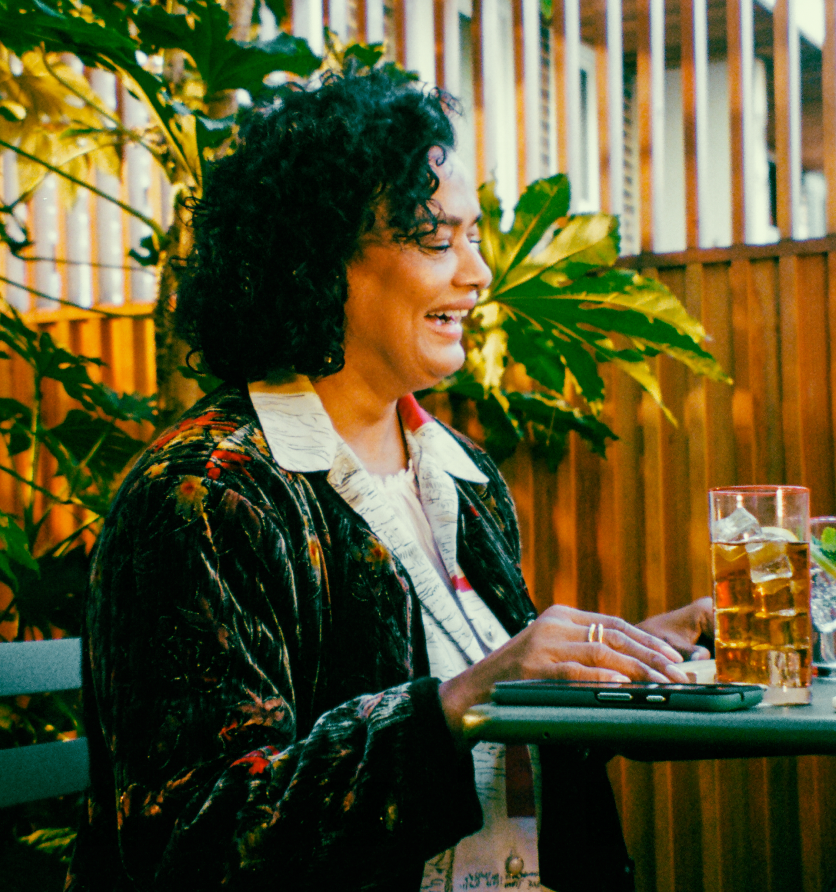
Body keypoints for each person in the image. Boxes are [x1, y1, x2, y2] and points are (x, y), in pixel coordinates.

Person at [66, 70, 712, 892]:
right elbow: (200, 842)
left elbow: (497, 727)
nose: (478, 274)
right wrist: (454, 707)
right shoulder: (204, 496)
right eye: (436, 239)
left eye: (474, 235)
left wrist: (626, 665)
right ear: (317, 258)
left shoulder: (459, 473)